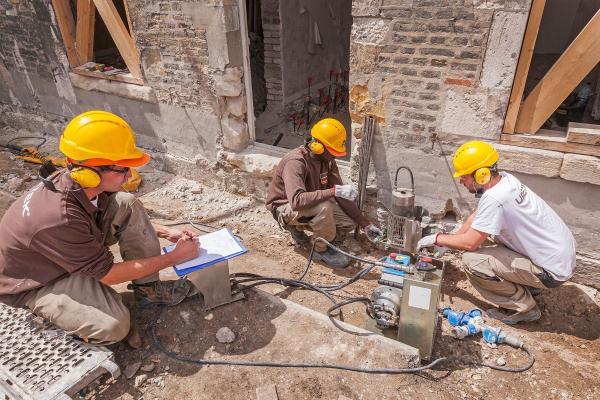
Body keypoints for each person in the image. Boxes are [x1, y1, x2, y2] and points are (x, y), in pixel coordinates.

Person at [0, 110, 200, 345]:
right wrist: (174, 258)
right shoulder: (59, 217)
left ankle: (148, 290)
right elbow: (109, 275)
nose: (129, 176)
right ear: (91, 172)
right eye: (122, 169)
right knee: (114, 326)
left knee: (126, 203)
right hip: (38, 281)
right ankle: (59, 319)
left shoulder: (79, 182)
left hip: (64, 253)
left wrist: (167, 232)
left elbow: (123, 214)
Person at [417, 141, 576, 325]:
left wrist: (438, 238)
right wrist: (452, 239)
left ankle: (524, 308)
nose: (461, 182)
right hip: (558, 258)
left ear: (481, 175)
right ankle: (526, 286)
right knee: (486, 239)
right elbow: (478, 216)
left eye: (464, 177)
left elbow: (470, 243)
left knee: (472, 261)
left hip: (551, 272)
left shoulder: (495, 198)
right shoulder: (505, 180)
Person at [266, 118, 382, 268]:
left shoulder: (327, 161)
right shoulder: (296, 162)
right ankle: (321, 250)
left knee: (349, 222)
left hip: (310, 205)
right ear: (318, 146)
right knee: (324, 207)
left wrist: (365, 224)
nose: (335, 156)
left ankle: (316, 236)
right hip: (284, 207)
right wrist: (333, 191)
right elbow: (296, 201)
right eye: (332, 152)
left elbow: (340, 194)